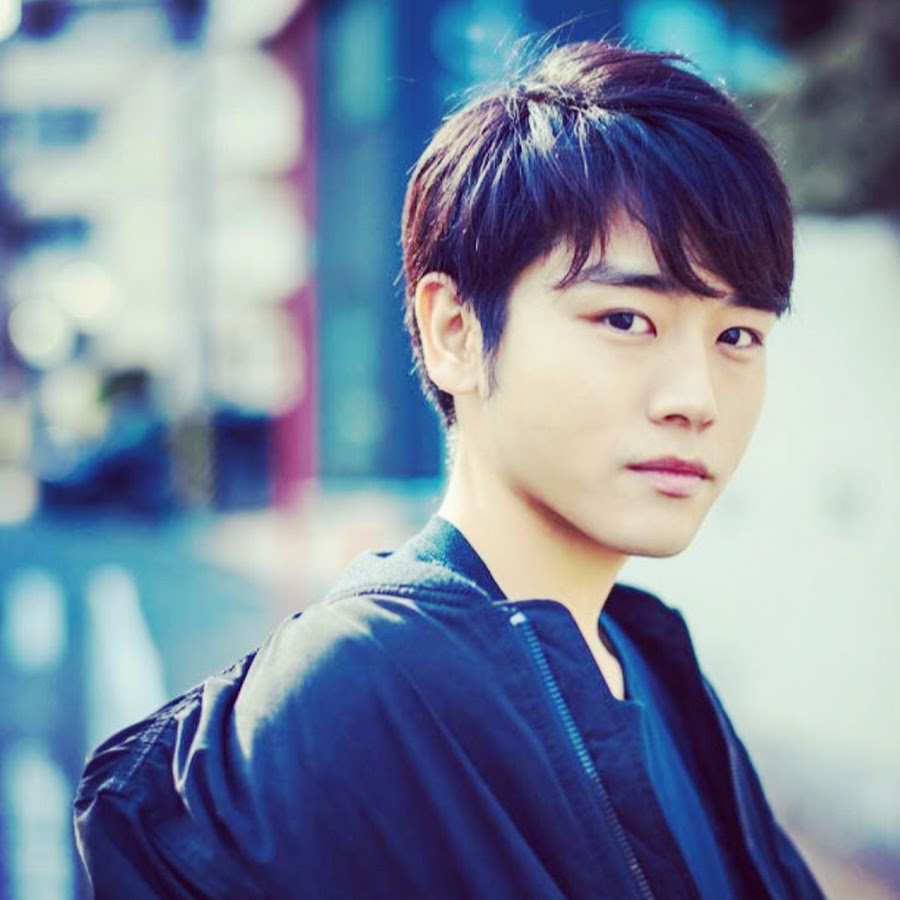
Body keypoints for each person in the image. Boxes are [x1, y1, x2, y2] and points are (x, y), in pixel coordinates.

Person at [74, 39, 825, 899]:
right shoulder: (346, 695)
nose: (696, 398)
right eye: (625, 319)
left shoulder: (654, 668)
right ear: (455, 333)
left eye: (738, 336)